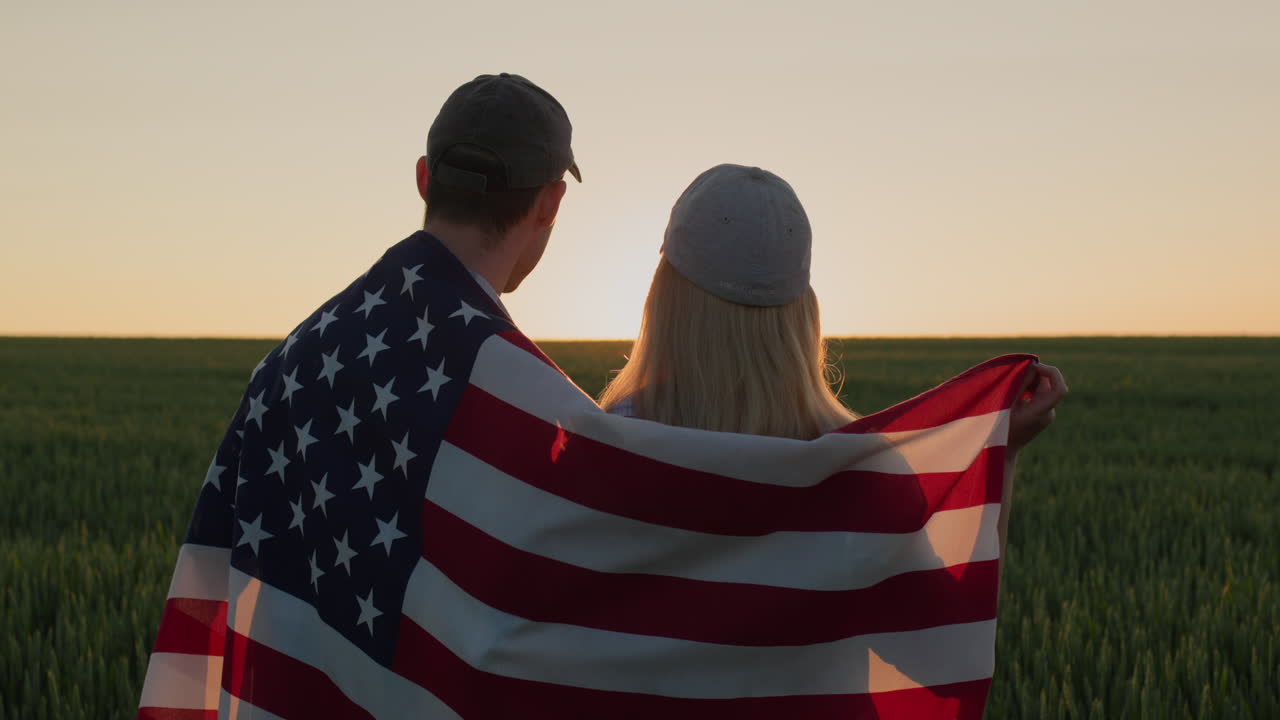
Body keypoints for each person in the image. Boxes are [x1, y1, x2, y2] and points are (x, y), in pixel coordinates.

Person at [138, 74, 1062, 720]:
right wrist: (988, 456)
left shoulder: (599, 455)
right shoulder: (856, 488)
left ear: (661, 291)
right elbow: (925, 644)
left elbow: (509, 631)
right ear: (805, 312)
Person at [600, 161, 1067, 582]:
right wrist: (1003, 455)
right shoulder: (858, 469)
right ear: (802, 313)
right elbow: (936, 628)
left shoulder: (611, 446)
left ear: (664, 300)